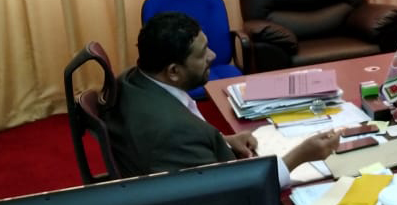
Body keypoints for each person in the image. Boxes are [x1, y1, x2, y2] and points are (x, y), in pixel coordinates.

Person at [104, 11, 338, 180]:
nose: (213, 56)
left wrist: (224, 140)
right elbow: (233, 193)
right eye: (202, 54)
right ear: (173, 71)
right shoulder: (174, 132)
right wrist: (299, 157)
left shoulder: (132, 80)